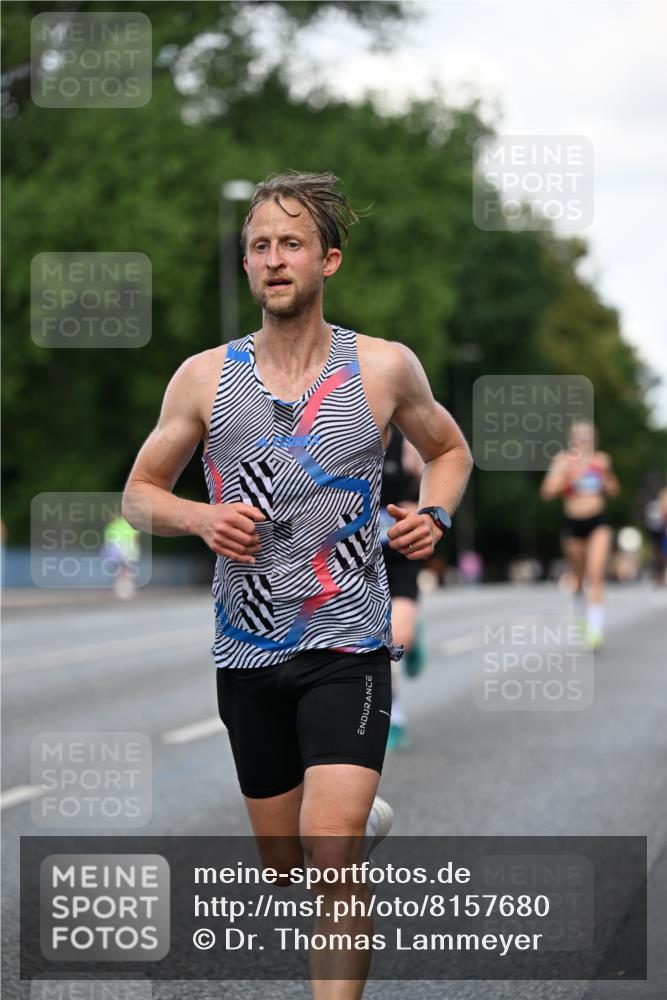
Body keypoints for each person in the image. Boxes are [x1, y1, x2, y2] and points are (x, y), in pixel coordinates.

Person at [123, 171, 472, 998]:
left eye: (291, 244)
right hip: (247, 651)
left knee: (332, 849)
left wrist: (436, 515)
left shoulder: (383, 369)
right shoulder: (203, 378)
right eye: (258, 247)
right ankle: (341, 833)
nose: (274, 259)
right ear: (246, 267)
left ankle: (345, 838)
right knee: (285, 868)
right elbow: (139, 495)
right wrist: (201, 520)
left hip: (347, 642)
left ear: (328, 261)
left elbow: (449, 451)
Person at [540, 420, 619, 649]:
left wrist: (604, 477)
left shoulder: (601, 460)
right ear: (572, 439)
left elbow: (614, 490)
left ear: (594, 439)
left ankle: (595, 631)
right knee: (578, 578)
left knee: (595, 574)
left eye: (587, 436)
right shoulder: (563, 461)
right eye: (578, 436)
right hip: (573, 523)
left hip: (597, 521)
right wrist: (567, 478)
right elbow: (546, 492)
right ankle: (581, 614)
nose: (582, 440)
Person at [379, 424, 425, 751]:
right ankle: (392, 713)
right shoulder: (333, 436)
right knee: (371, 646)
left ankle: (393, 714)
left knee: (396, 639)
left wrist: (422, 507)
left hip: (398, 558)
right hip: (352, 562)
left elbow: (440, 475)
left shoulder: (405, 445)